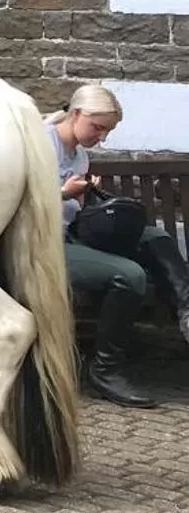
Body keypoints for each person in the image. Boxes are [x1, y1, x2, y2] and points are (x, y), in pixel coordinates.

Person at [49, 82, 189, 409]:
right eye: (98, 128)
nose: (102, 138)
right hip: (43, 245)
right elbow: (17, 204)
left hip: (72, 233)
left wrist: (86, 195)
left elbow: (74, 212)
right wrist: (63, 193)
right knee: (129, 275)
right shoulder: (40, 144)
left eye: (107, 132)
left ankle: (187, 311)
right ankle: (104, 371)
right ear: (77, 113)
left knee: (156, 238)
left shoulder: (79, 156)